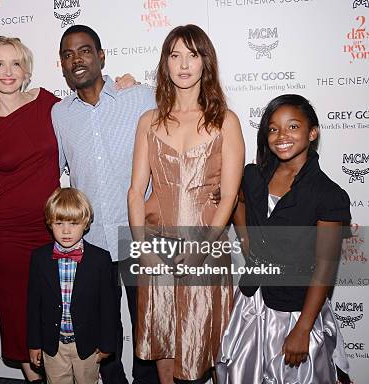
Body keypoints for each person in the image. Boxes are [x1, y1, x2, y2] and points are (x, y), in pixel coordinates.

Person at [127, 24, 244, 384]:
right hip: (156, 246)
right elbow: (135, 192)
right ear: (165, 64)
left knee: (200, 345)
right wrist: (141, 249)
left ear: (205, 62)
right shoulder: (149, 121)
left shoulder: (226, 120)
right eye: (174, 55)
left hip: (205, 249)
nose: (183, 65)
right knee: (161, 343)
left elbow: (230, 195)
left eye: (192, 55)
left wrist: (202, 247)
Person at [216, 94, 352, 384]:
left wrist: (303, 328)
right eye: (274, 128)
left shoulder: (327, 194)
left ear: (312, 132)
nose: (282, 136)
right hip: (251, 304)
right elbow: (238, 201)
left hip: (295, 309)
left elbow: (325, 267)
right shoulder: (252, 176)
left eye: (293, 127)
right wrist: (247, 242)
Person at [51, 25, 161, 384]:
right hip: (91, 239)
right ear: (62, 65)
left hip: (137, 232)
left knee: (145, 324)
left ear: (101, 56)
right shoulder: (59, 114)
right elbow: (52, 169)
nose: (76, 59)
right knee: (101, 327)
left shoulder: (141, 97)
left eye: (84, 50)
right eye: (68, 55)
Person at [0, 36, 60, 382]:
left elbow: (87, 108)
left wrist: (124, 83)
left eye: (15, 64)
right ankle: (35, 378)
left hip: (52, 229)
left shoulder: (47, 102)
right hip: (4, 236)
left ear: (26, 70)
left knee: (54, 309)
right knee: (17, 314)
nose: (8, 72)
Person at [27, 188, 117, 384]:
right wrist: (34, 343)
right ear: (50, 223)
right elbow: (33, 305)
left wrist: (107, 344)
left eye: (73, 223)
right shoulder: (39, 258)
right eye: (59, 223)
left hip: (88, 346)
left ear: (85, 224)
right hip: (53, 346)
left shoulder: (100, 259)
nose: (66, 230)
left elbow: (108, 307)